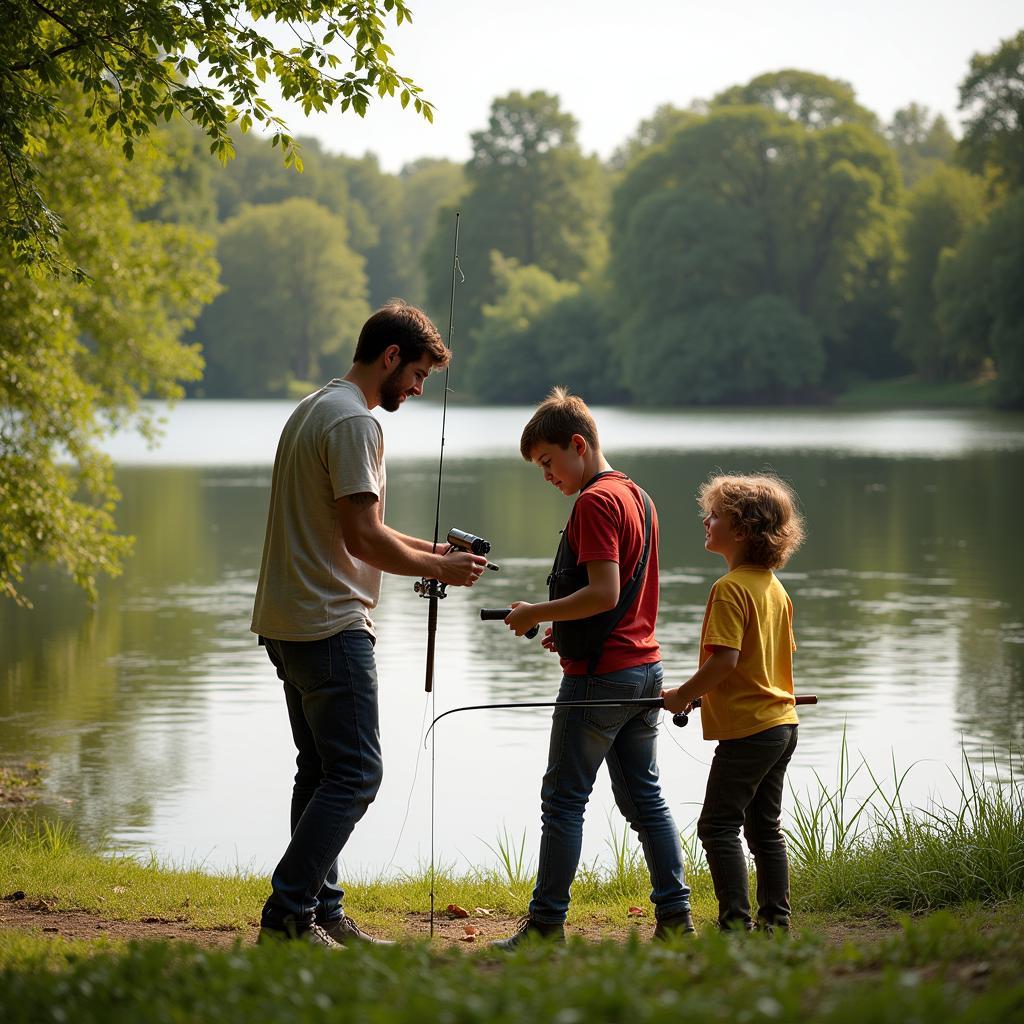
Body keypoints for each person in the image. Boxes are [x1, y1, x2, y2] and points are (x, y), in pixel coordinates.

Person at [251, 301, 488, 948]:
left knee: (319, 770)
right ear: (390, 357)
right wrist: (440, 574)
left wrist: (432, 554)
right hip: (329, 623)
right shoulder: (356, 424)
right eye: (416, 375)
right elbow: (361, 539)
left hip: (285, 618)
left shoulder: (314, 408)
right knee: (357, 773)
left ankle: (319, 916)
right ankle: (286, 915)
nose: (415, 390)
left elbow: (361, 529)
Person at [493, 387, 693, 949]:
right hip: (643, 671)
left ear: (578, 445)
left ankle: (546, 926)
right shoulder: (639, 496)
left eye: (548, 462)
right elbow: (622, 597)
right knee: (644, 799)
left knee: (563, 801)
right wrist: (568, 630)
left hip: (599, 682)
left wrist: (537, 611)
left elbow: (603, 591)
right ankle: (675, 920)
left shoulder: (594, 503)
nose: (547, 476)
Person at [661, 473, 805, 934]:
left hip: (749, 732)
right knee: (764, 828)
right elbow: (761, 664)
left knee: (718, 827)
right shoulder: (774, 588)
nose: (706, 520)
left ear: (741, 530)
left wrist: (683, 695)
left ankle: (735, 927)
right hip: (782, 726)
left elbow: (724, 661)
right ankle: (775, 925)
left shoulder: (729, 589)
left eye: (716, 515)